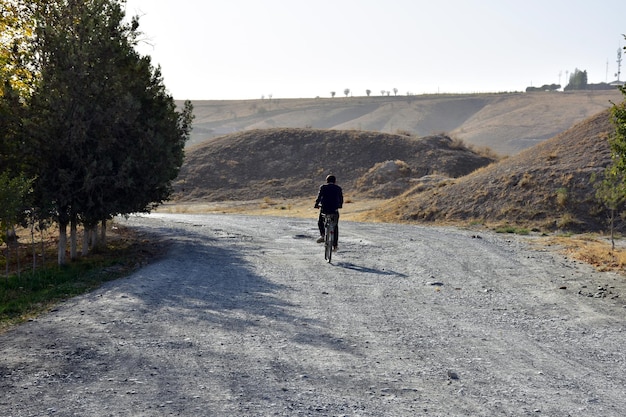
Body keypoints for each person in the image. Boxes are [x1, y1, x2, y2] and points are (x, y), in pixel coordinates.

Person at [314, 174, 343, 250]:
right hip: (334, 210)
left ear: (327, 181)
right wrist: (339, 205)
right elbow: (341, 199)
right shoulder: (338, 188)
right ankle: (335, 245)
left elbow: (319, 197)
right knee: (335, 226)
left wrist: (316, 205)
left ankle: (323, 235)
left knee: (320, 222)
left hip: (325, 209)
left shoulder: (323, 187)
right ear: (335, 181)